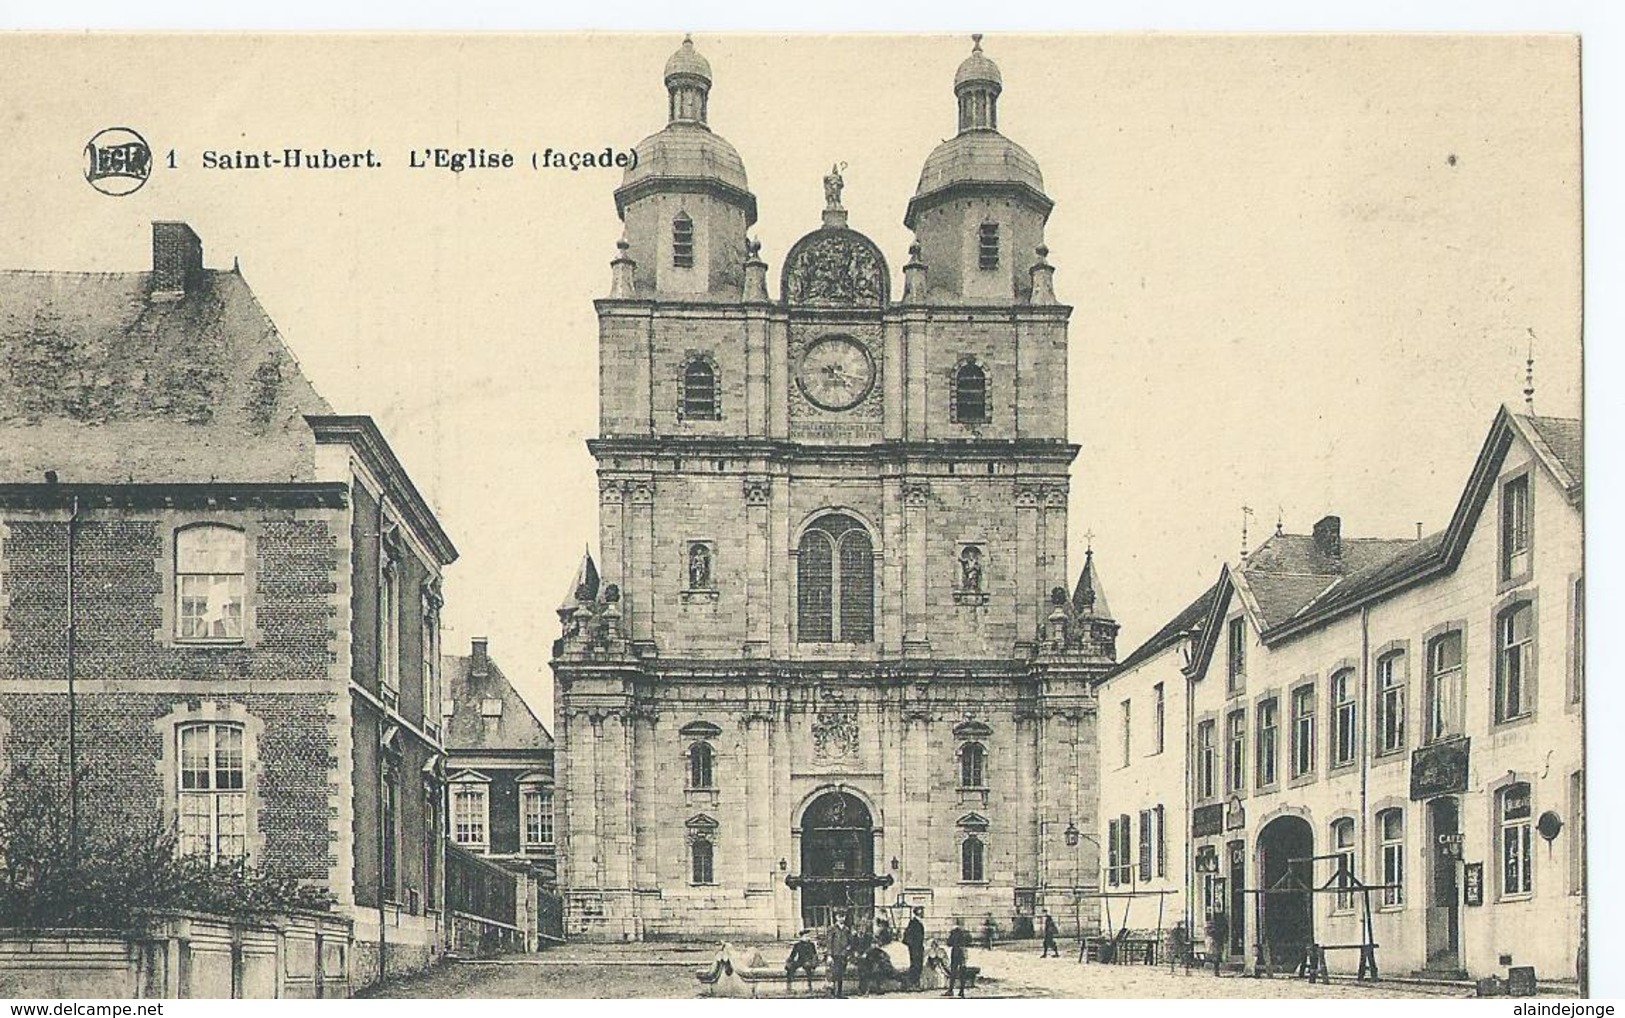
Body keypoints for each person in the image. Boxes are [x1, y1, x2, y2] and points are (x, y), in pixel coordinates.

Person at [785, 929, 819, 993]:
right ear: (801, 937)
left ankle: (809, 985)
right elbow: (792, 955)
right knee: (790, 967)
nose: (808, 938)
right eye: (806, 936)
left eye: (808, 936)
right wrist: (789, 962)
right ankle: (789, 985)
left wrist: (814, 963)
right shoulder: (797, 945)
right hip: (800, 961)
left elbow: (815, 955)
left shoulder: (811, 945)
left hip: (809, 961)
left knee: (808, 967)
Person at [827, 912, 852, 998]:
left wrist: (848, 949)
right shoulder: (832, 929)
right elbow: (829, 942)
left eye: (843, 917)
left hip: (843, 954)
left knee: (841, 973)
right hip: (835, 954)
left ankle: (839, 993)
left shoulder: (846, 929)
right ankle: (833, 993)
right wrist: (829, 955)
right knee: (835, 973)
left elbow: (850, 941)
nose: (841, 918)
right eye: (839, 917)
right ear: (836, 917)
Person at [945, 918, 971, 998]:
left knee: (953, 970)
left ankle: (951, 990)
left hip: (955, 952)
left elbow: (949, 943)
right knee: (963, 970)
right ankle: (962, 990)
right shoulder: (966, 932)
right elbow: (970, 941)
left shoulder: (954, 932)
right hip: (963, 952)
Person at [903, 907, 926, 990]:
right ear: (918, 912)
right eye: (922, 911)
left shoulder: (917, 922)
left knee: (918, 965)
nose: (924, 913)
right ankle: (912, 984)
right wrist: (913, 945)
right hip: (915, 948)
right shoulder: (914, 923)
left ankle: (914, 984)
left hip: (917, 947)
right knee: (916, 965)